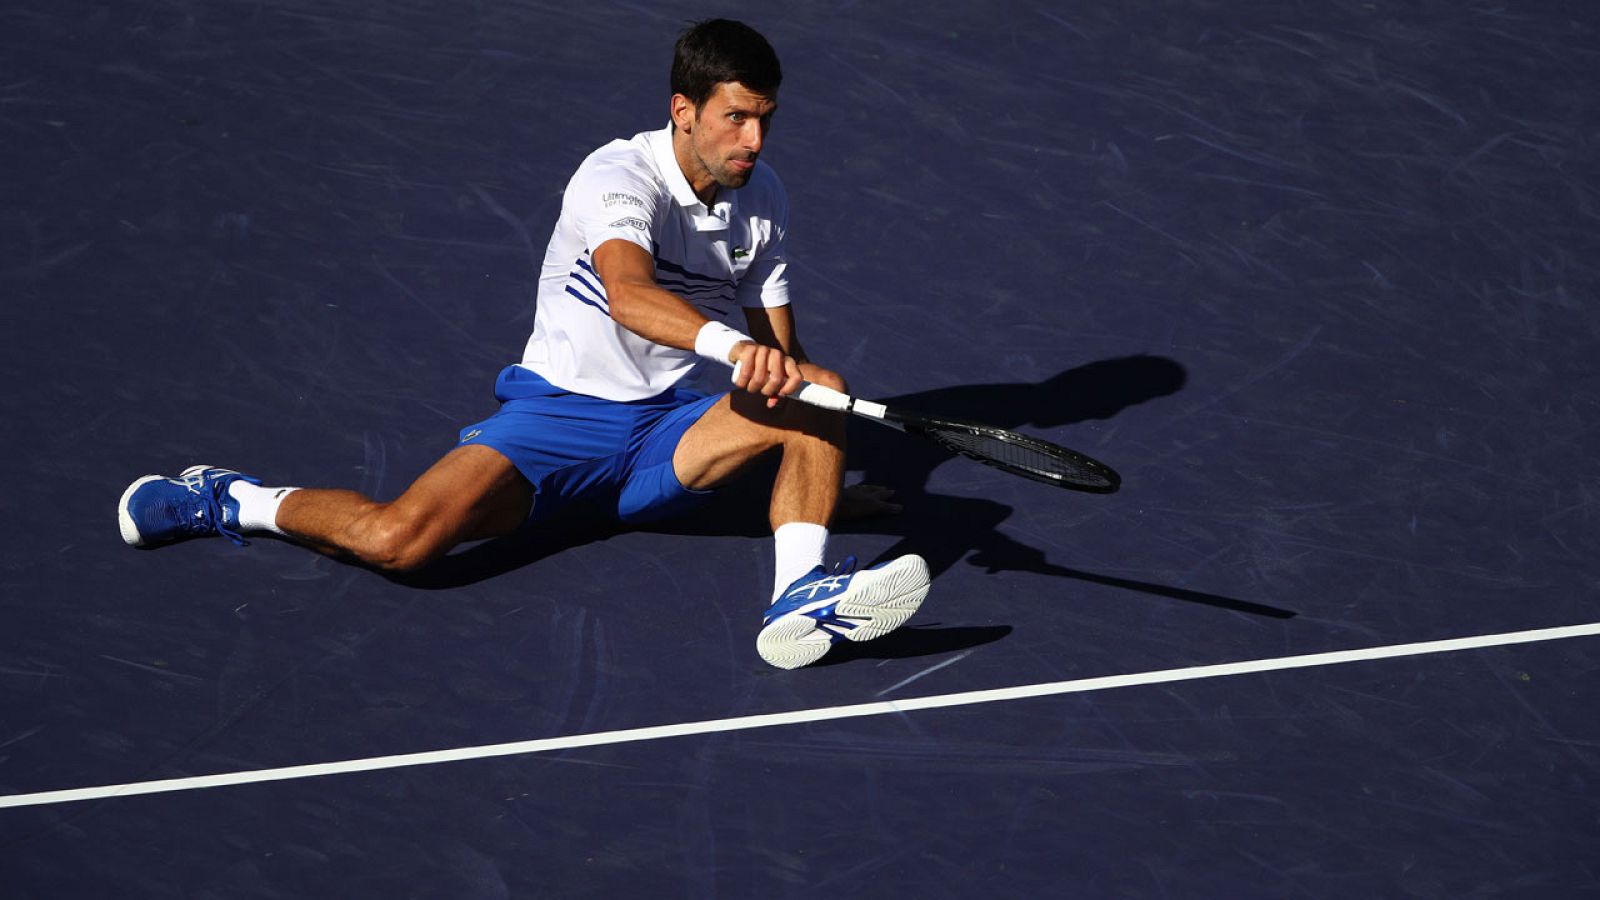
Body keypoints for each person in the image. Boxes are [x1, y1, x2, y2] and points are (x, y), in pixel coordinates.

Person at [116, 19, 929, 670]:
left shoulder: (765, 196)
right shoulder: (616, 175)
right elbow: (631, 295)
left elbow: (780, 354)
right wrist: (734, 355)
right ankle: (231, 498)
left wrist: (816, 466)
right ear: (684, 109)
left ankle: (799, 594)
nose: (753, 139)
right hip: (561, 423)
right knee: (402, 542)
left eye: (765, 119)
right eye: (736, 117)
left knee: (816, 388)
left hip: (668, 434)